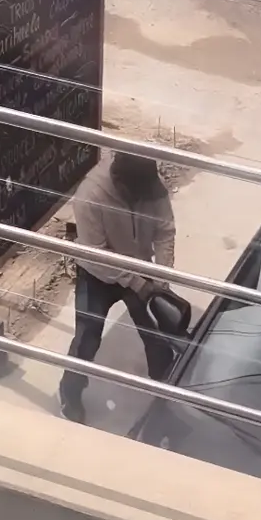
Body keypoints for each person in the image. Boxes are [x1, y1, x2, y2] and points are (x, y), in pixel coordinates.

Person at [58, 152, 177, 423]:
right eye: (140, 195)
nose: (147, 198)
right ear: (121, 184)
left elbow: (165, 231)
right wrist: (138, 284)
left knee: (155, 328)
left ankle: (168, 382)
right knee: (87, 338)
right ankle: (70, 391)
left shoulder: (150, 183)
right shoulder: (91, 196)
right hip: (96, 273)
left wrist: (161, 279)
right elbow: (96, 256)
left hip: (138, 267)